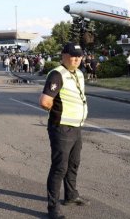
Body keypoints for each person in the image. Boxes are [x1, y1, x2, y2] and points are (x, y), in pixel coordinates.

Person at [39, 42, 89, 219]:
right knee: (60, 167)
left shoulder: (79, 74)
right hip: (62, 128)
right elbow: (45, 101)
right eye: (73, 55)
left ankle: (71, 195)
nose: (76, 58)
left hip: (76, 127)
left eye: (79, 55)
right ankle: (53, 208)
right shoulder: (56, 74)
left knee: (74, 163)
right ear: (64, 55)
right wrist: (59, 113)